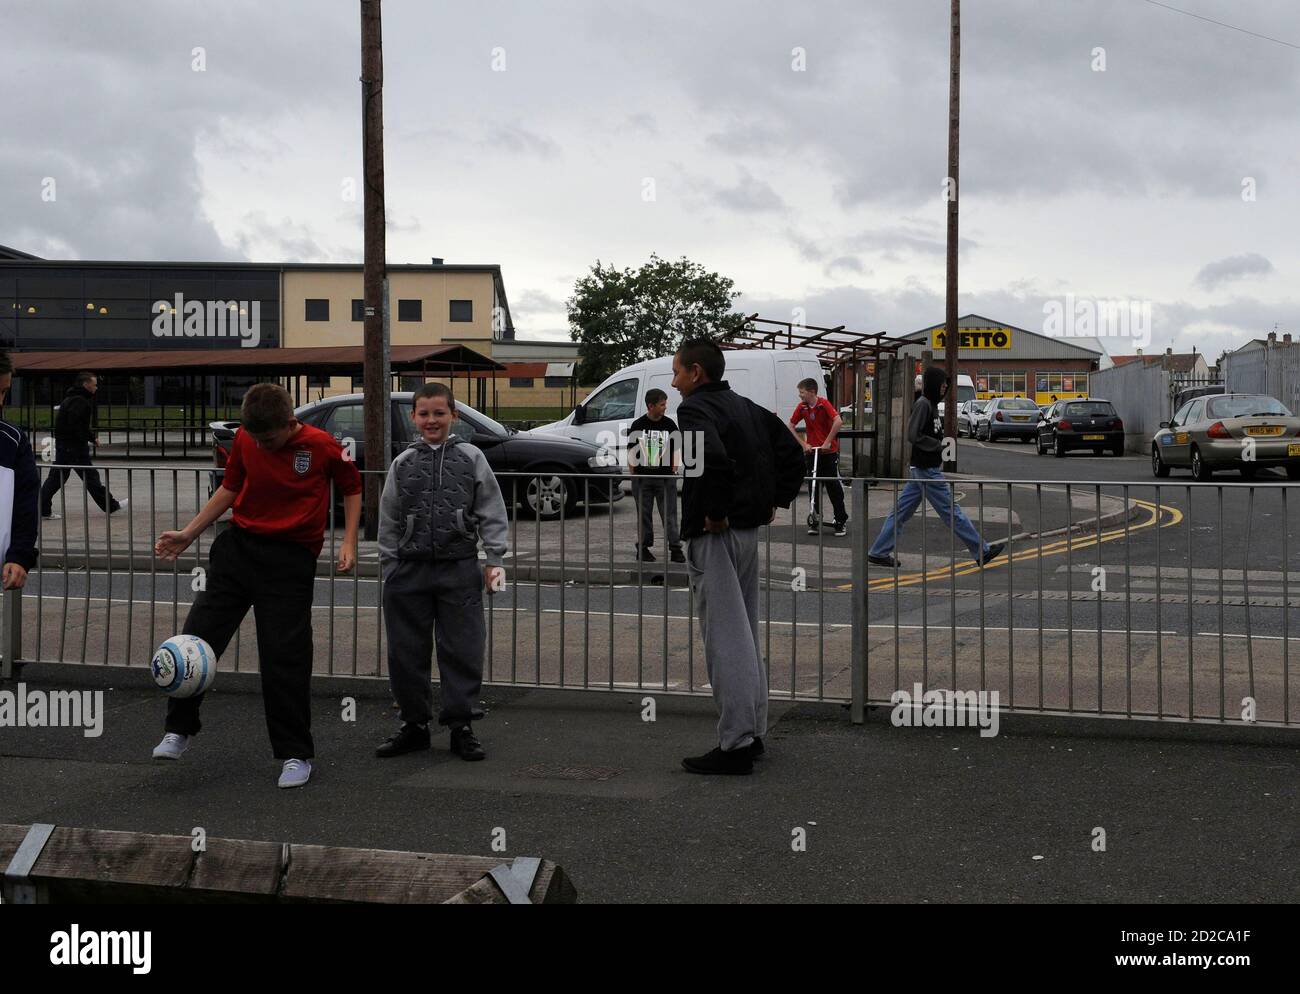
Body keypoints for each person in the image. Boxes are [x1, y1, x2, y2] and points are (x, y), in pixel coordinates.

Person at [152, 383, 361, 789]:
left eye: (270, 438)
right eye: (257, 438)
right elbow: (230, 488)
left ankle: (295, 754)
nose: (263, 445)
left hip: (290, 559)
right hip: (238, 550)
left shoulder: (321, 445)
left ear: (290, 423)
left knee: (285, 656)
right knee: (196, 640)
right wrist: (189, 534)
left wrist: (349, 539)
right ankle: (179, 730)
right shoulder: (247, 437)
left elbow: (352, 488)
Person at [674, 339, 804, 775]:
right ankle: (753, 733)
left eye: (677, 373)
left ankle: (735, 746)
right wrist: (776, 500)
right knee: (745, 631)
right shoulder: (747, 406)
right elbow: (791, 452)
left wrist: (713, 512)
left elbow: (706, 459)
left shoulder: (692, 410)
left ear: (695, 372)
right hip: (748, 532)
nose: (673, 384)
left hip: (715, 535)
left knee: (724, 639)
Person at [375, 383, 509, 762]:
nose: (431, 420)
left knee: (462, 650)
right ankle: (414, 726)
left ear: (454, 416)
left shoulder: (472, 457)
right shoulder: (403, 463)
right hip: (408, 573)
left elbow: (491, 511)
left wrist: (494, 560)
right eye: (424, 413)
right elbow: (388, 518)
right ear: (414, 417)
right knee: (406, 653)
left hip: (460, 569)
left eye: (439, 413)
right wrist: (391, 567)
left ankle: (461, 726)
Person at [867, 365, 1006, 570]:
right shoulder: (923, 404)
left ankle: (878, 552)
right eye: (942, 384)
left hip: (922, 469)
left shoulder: (930, 404)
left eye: (946, 385)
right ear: (933, 384)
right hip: (926, 470)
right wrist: (937, 446)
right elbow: (912, 435)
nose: (944, 387)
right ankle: (981, 551)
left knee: (900, 513)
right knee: (952, 512)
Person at [39, 371, 125, 519]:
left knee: (56, 478)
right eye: (94, 385)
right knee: (91, 477)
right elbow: (76, 425)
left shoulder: (70, 399)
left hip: (63, 446)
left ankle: (42, 509)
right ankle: (111, 506)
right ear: (86, 385)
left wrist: (90, 438)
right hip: (74, 448)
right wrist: (88, 439)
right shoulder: (80, 401)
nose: (96, 388)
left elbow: (74, 424)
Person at [628, 388, 684, 563]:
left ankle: (675, 549)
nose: (665, 407)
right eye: (662, 404)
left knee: (670, 515)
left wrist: (674, 469)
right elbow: (631, 451)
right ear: (650, 406)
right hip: (643, 479)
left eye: (665, 404)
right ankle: (643, 548)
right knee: (643, 515)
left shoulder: (669, 425)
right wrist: (634, 476)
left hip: (666, 479)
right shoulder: (638, 425)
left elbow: (676, 449)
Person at [788, 378, 848, 537]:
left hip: (828, 453)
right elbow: (791, 425)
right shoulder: (802, 407)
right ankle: (815, 518)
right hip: (812, 452)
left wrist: (828, 442)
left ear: (811, 392)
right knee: (813, 485)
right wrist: (803, 444)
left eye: (802, 392)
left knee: (833, 486)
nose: (800, 396)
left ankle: (840, 520)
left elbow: (838, 421)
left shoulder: (823, 404)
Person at [0, 351, 39, 593]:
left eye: (4, 392)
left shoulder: (11, 440)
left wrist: (19, 555)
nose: (0, 401)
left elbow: (25, 501)